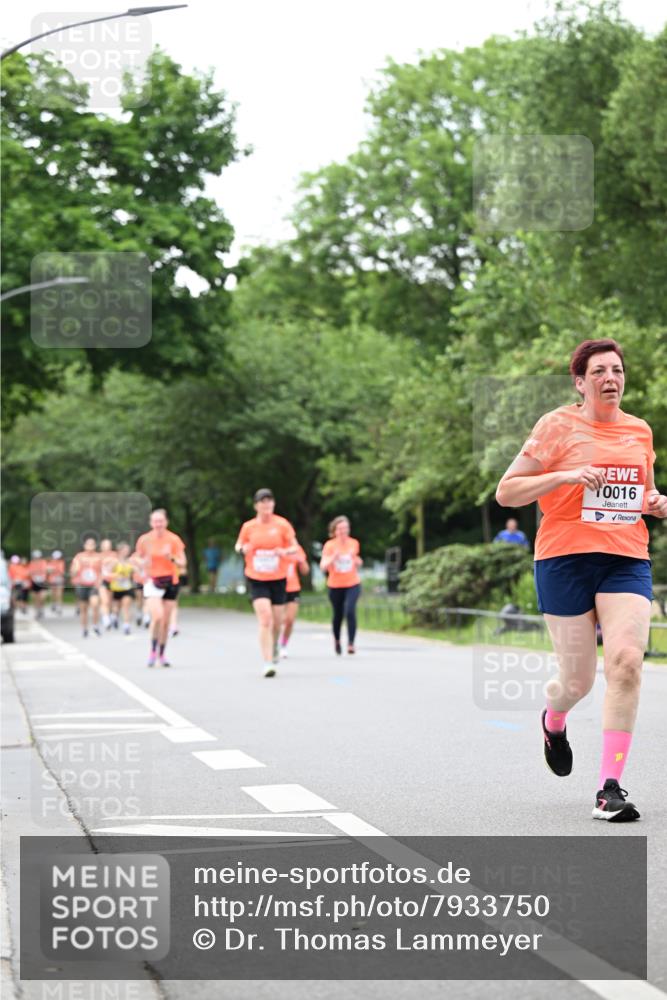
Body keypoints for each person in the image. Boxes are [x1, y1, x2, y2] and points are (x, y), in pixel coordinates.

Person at [496, 338, 666, 823]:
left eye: (617, 370)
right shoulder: (556, 426)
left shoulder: (639, 431)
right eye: (599, 372)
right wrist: (566, 476)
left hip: (624, 558)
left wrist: (655, 503)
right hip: (563, 559)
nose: (610, 378)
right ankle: (554, 720)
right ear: (579, 382)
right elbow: (507, 492)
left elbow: (643, 493)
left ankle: (609, 789)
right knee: (578, 680)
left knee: (626, 663)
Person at [234, 488, 297, 677]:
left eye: (269, 501)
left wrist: (284, 552)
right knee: (265, 618)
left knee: (277, 622)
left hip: (278, 578)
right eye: (263, 501)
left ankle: (274, 645)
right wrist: (243, 549)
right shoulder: (249, 527)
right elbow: (238, 545)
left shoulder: (282, 524)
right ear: (256, 506)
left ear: (273, 504)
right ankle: (268, 662)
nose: (266, 505)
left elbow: (294, 546)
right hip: (256, 578)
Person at [132, 509, 186, 667]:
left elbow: (183, 562)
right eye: (155, 521)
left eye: (161, 521)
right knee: (158, 616)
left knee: (165, 622)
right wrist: (140, 563)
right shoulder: (145, 540)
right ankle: (152, 651)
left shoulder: (174, 539)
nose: (158, 524)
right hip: (152, 580)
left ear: (166, 522)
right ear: (151, 523)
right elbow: (135, 558)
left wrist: (172, 558)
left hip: (171, 581)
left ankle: (162, 654)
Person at [320, 516, 363, 655]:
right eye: (340, 529)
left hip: (352, 583)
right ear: (334, 530)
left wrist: (356, 560)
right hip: (335, 585)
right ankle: (337, 640)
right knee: (338, 614)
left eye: (345, 528)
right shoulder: (329, 545)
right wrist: (334, 557)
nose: (343, 531)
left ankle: (351, 643)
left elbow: (358, 561)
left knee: (350, 610)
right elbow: (323, 566)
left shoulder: (354, 543)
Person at [279, 542, 309, 657]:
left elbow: (305, 571)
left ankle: (283, 644)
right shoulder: (274, 545)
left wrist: (301, 560)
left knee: (290, 620)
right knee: (279, 619)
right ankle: (274, 642)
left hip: (293, 588)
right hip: (277, 587)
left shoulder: (296, 548)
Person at [70, 538, 102, 637]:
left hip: (94, 585)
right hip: (82, 585)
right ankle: (84, 629)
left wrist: (99, 582)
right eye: (88, 544)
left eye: (92, 544)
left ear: (95, 546)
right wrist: (75, 570)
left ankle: (95, 626)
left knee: (95, 604)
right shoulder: (79, 557)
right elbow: (72, 572)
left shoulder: (98, 557)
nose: (90, 546)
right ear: (85, 546)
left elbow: (102, 571)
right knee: (84, 609)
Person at [109, 542, 136, 635]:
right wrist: (116, 576)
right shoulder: (114, 561)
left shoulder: (130, 561)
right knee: (116, 607)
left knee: (126, 606)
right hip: (116, 587)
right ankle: (114, 617)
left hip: (127, 587)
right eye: (125, 550)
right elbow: (107, 572)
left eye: (127, 550)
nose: (127, 551)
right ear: (120, 551)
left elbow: (135, 571)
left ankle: (126, 626)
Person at [99, 539, 118, 629]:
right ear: (101, 547)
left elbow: (119, 565)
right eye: (105, 545)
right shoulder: (99, 556)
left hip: (113, 581)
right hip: (103, 580)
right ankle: (106, 619)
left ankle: (112, 616)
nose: (106, 547)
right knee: (105, 601)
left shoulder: (114, 555)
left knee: (111, 601)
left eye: (108, 545)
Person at [169, 554, 188, 638]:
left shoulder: (177, 550)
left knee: (174, 604)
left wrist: (173, 559)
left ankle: (173, 626)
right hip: (159, 580)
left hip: (173, 580)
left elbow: (183, 564)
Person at [28, 550, 49, 619]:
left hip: (42, 581)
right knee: (35, 598)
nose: (37, 558)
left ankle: (41, 609)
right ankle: (37, 611)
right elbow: (30, 572)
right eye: (35, 557)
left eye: (38, 557)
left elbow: (46, 570)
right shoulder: (32, 563)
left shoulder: (43, 562)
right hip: (34, 582)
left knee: (42, 597)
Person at [46, 550, 65, 614]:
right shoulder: (50, 562)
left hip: (59, 579)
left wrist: (53, 570)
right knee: (53, 593)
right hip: (52, 579)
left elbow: (61, 571)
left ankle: (59, 607)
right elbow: (48, 571)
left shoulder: (61, 562)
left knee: (59, 594)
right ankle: (53, 603)